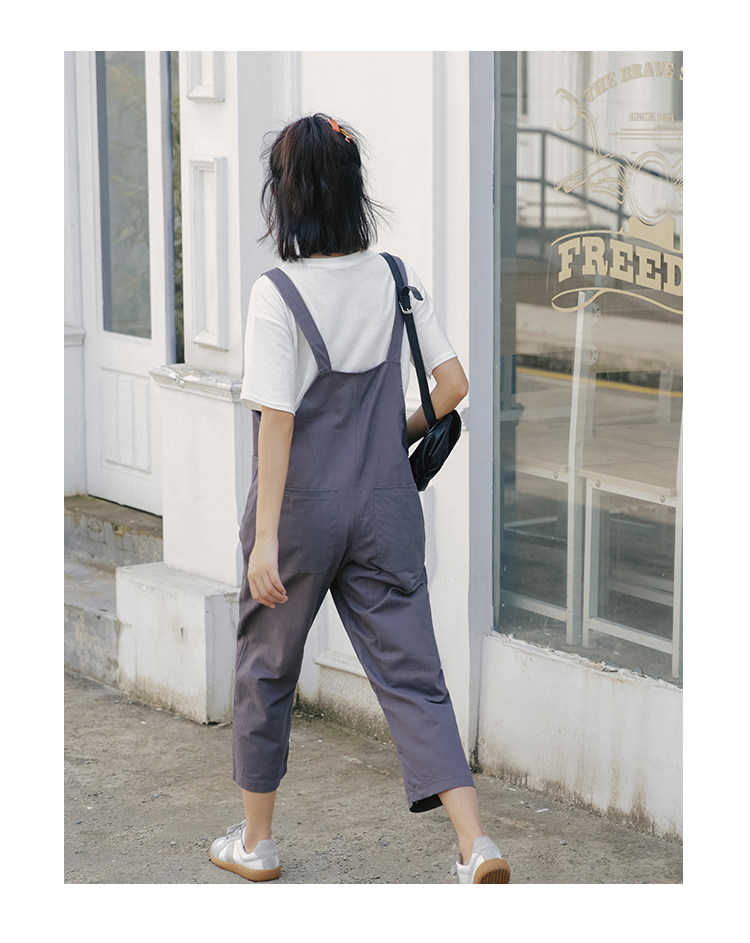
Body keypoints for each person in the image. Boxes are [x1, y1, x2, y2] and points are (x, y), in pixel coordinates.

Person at [209, 113, 510, 885]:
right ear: (353, 192)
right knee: (415, 674)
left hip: (300, 512)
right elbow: (452, 385)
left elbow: (278, 421)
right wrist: (387, 435)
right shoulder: (395, 277)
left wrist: (266, 539)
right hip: (385, 506)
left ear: (288, 196)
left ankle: (257, 842)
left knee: (266, 669)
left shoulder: (276, 293)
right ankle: (475, 843)